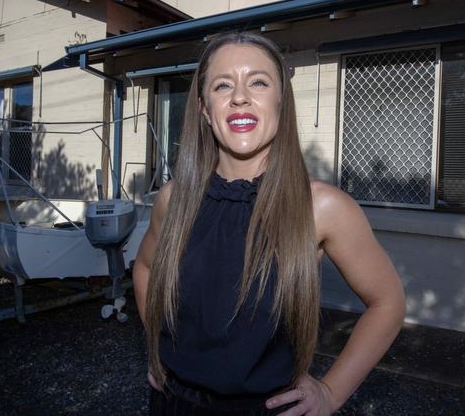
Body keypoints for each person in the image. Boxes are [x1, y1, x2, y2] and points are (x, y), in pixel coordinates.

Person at [133, 31, 406, 415]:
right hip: (172, 404)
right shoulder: (173, 199)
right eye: (222, 84)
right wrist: (156, 351)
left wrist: (330, 392)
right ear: (205, 110)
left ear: (281, 101)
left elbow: (388, 302)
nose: (239, 96)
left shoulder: (322, 207)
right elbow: (145, 268)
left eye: (258, 82)